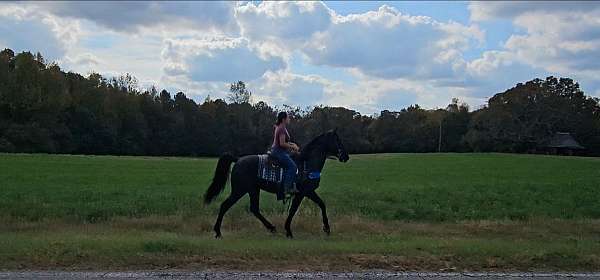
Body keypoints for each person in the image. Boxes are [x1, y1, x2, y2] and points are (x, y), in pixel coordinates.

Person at [270, 111, 299, 194]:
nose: (289, 119)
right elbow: (282, 143)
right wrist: (293, 146)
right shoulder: (282, 128)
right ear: (283, 119)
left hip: (279, 151)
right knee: (293, 167)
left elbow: (284, 142)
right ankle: (287, 188)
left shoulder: (281, 127)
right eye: (288, 117)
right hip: (278, 152)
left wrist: (292, 144)